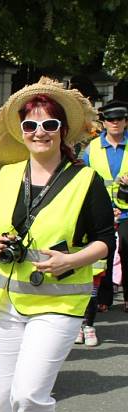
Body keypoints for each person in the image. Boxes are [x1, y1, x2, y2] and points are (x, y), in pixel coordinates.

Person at [0, 78, 114, 412]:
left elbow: (105, 241)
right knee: (7, 396)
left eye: (49, 124)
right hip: (3, 302)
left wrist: (71, 260)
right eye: (31, 124)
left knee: (31, 395)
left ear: (62, 131)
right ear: (20, 129)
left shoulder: (85, 179)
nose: (39, 132)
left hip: (57, 303)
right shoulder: (7, 175)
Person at [82, 99, 128, 313]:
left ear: (126, 122)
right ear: (104, 123)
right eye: (110, 119)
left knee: (127, 249)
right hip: (102, 210)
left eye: (119, 119)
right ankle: (104, 298)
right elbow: (83, 177)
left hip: (127, 211)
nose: (115, 123)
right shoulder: (92, 148)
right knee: (104, 253)